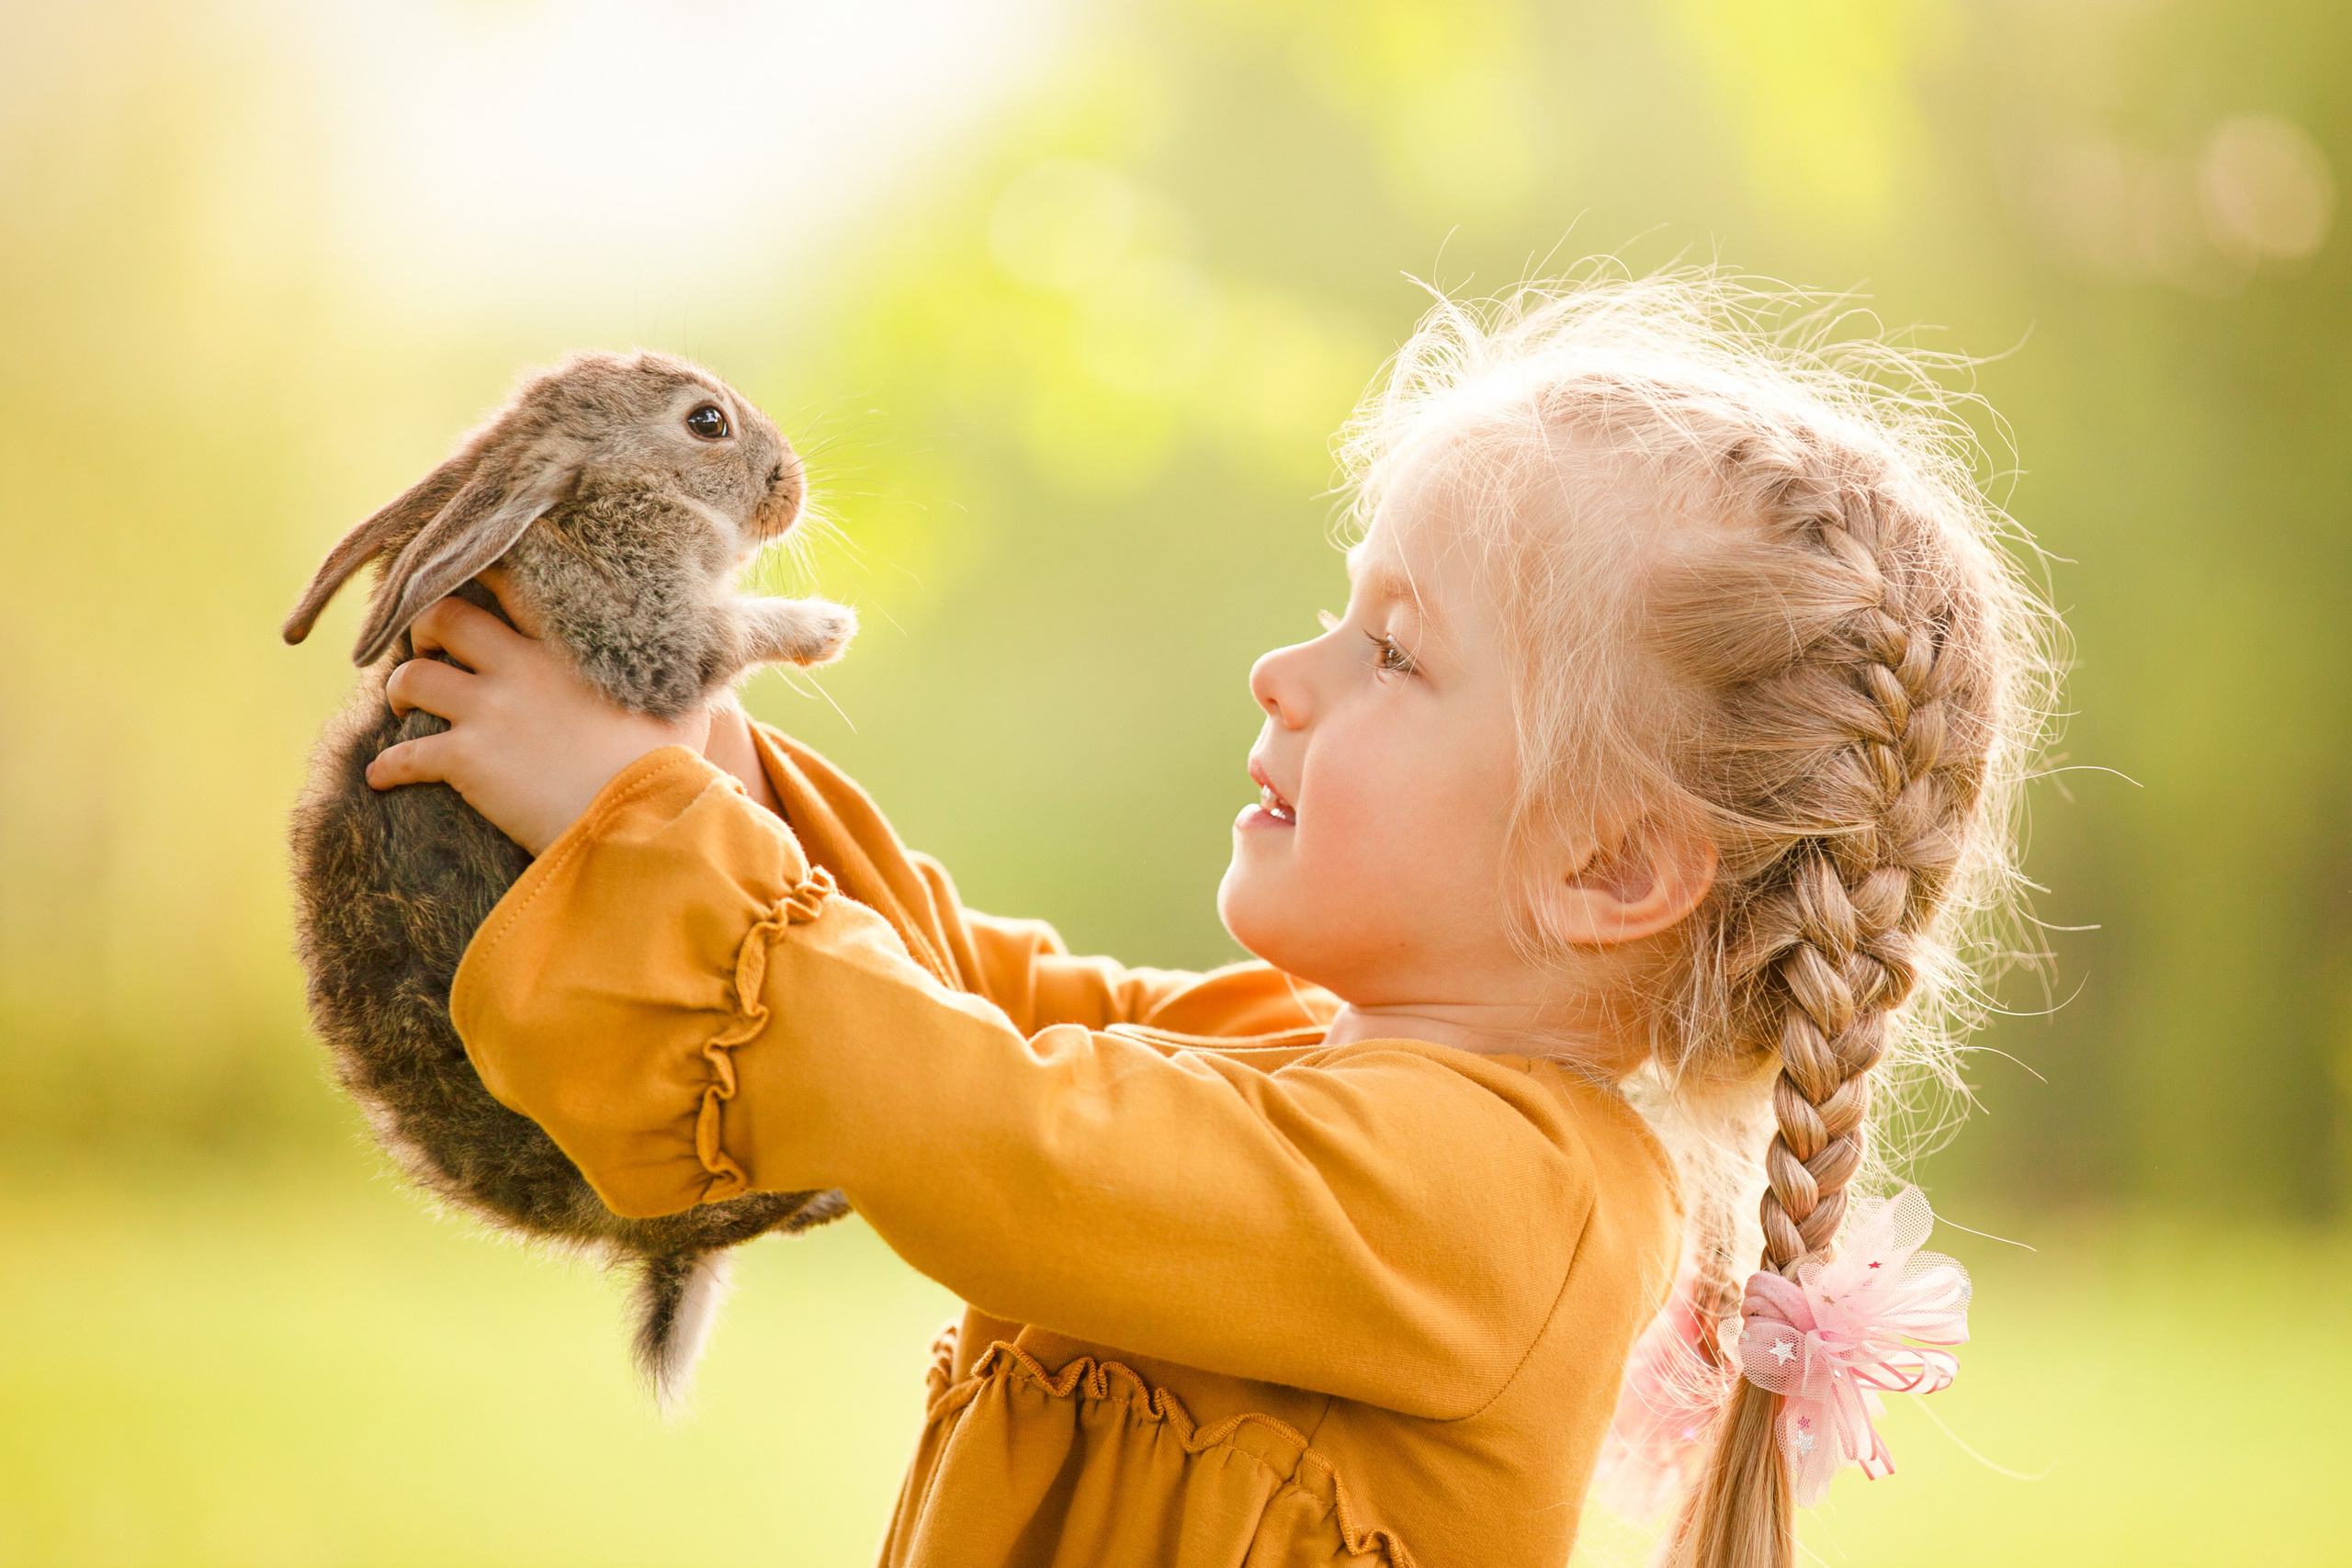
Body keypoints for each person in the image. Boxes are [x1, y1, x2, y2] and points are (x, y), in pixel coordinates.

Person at [363, 271, 2056, 1568]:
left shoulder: (1509, 1203)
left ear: (1611, 868)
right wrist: (701, 759)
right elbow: (975, 1004)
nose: (1286, 671)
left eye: (1394, 651)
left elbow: (1005, 1134)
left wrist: (629, 822)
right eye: (1341, 610)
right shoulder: (1304, 1065)